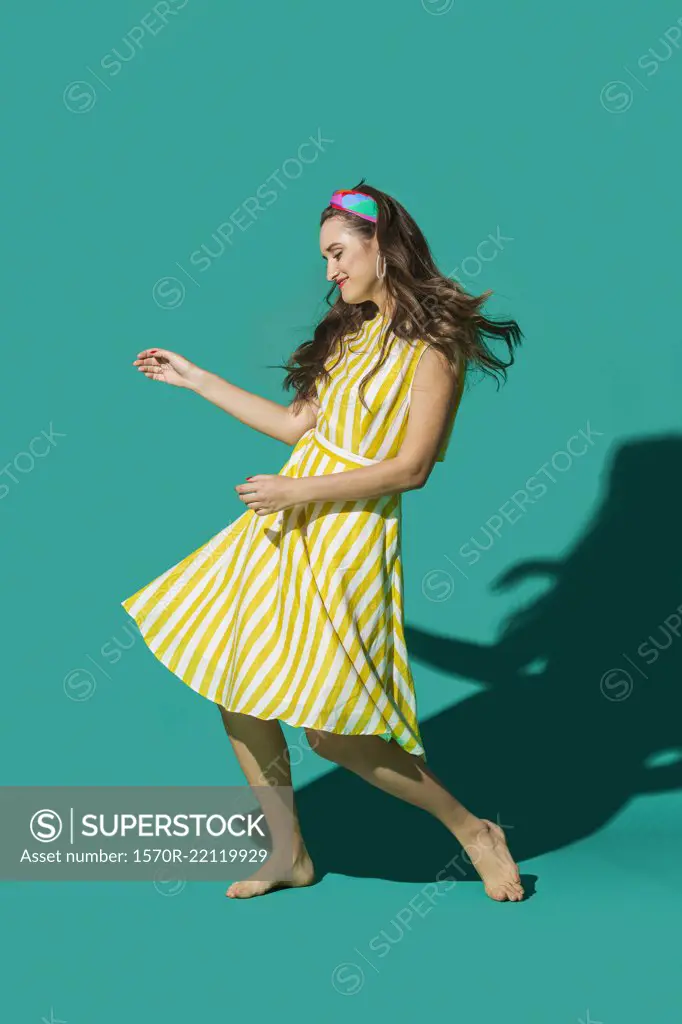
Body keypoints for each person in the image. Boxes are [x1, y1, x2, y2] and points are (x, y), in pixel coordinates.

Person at [122, 181, 525, 901]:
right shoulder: (351, 331)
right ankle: (289, 855)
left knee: (334, 733)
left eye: (338, 253)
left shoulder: (434, 344)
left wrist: (293, 492)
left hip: (347, 538)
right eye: (325, 259)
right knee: (235, 679)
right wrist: (197, 379)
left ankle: (474, 831)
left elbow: (412, 468)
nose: (330, 271)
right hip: (281, 529)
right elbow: (293, 427)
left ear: (381, 245)